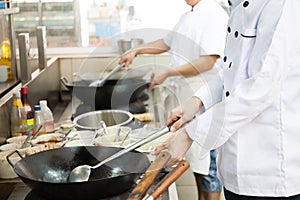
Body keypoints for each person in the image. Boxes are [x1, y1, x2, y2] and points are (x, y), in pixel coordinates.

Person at [155, 0, 300, 199]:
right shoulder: (238, 6)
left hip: (271, 172)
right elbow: (231, 73)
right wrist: (197, 101)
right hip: (234, 169)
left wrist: (190, 133)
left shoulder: (282, 5)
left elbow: (260, 87)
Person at [119, 0, 228, 199]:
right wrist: (137, 50)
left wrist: (168, 72)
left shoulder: (213, 14)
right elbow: (166, 43)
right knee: (196, 163)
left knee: (207, 167)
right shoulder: (188, 15)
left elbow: (208, 61)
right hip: (186, 97)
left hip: (204, 96)